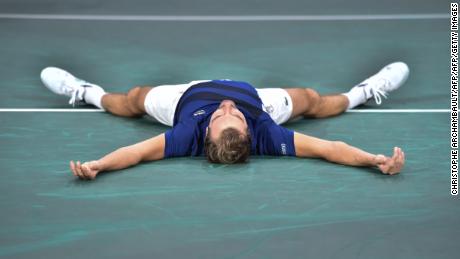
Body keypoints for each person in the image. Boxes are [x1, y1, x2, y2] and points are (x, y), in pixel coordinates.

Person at [40, 62, 408, 180]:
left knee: (136, 97)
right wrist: (372, 159)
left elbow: (135, 153)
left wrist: (99, 165)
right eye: (228, 115)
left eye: (223, 115)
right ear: (249, 132)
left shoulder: (185, 134)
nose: (228, 106)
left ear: (204, 135)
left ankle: (86, 92)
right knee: (309, 98)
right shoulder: (266, 130)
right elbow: (330, 149)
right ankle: (364, 92)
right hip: (259, 100)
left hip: (183, 99)